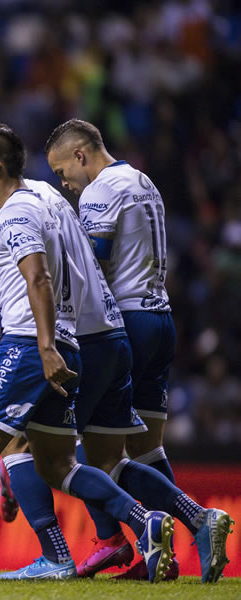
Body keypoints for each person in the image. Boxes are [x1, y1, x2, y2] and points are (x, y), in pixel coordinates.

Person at [0, 126, 174, 583]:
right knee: (57, 463)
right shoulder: (44, 200)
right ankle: (144, 522)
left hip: (34, 345)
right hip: (67, 340)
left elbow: (38, 280)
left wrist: (44, 344)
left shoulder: (16, 214)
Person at [45, 118, 234, 583]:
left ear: (81, 155)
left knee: (85, 448)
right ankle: (193, 528)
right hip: (161, 320)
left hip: (124, 323)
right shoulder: (144, 181)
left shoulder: (100, 190)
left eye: (61, 170)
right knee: (147, 448)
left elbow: (94, 267)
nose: (62, 182)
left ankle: (113, 542)